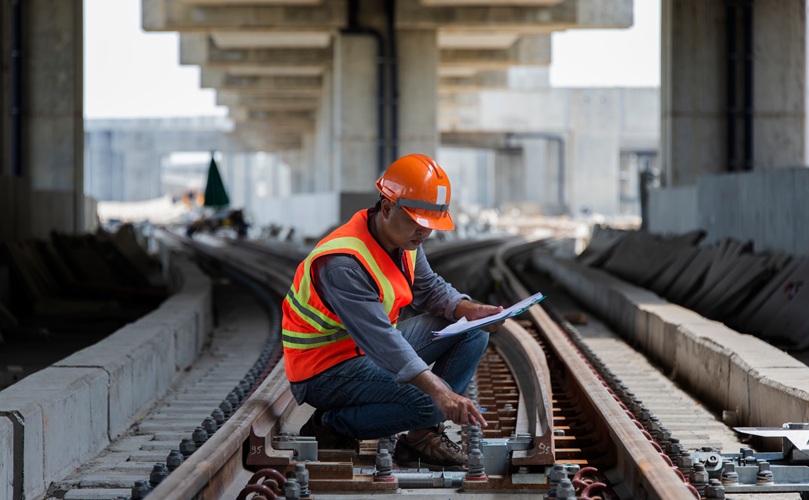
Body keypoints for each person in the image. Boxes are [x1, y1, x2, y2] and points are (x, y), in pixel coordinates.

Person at [281, 153, 504, 471]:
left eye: (429, 225)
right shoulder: (343, 262)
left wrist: (471, 309)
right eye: (417, 222)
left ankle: (421, 438)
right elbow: (382, 340)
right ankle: (332, 425)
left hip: (365, 353)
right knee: (429, 402)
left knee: (472, 328)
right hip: (324, 370)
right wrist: (441, 392)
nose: (424, 232)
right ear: (387, 208)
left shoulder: (405, 240)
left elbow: (430, 290)